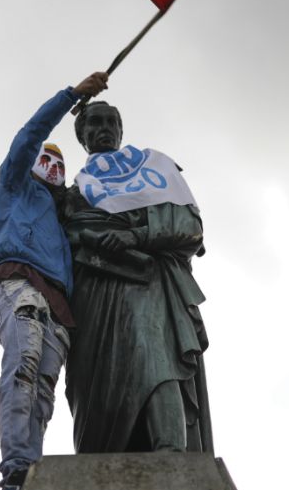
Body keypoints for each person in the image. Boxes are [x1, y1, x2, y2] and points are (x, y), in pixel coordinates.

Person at [62, 100, 213, 454]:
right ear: (82, 136)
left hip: (148, 281)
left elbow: (189, 227)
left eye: (111, 122)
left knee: (154, 358)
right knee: (92, 386)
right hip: (91, 294)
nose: (104, 128)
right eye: (94, 122)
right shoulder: (72, 194)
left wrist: (136, 236)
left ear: (121, 130)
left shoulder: (153, 172)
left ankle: (170, 452)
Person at [0, 72, 108, 489]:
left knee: (44, 389)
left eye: (60, 164)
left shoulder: (64, 215)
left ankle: (29, 471)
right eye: (46, 160)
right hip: (18, 282)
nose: (52, 166)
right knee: (24, 362)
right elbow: (28, 137)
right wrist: (72, 96)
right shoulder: (16, 186)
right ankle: (16, 465)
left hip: (59, 305)